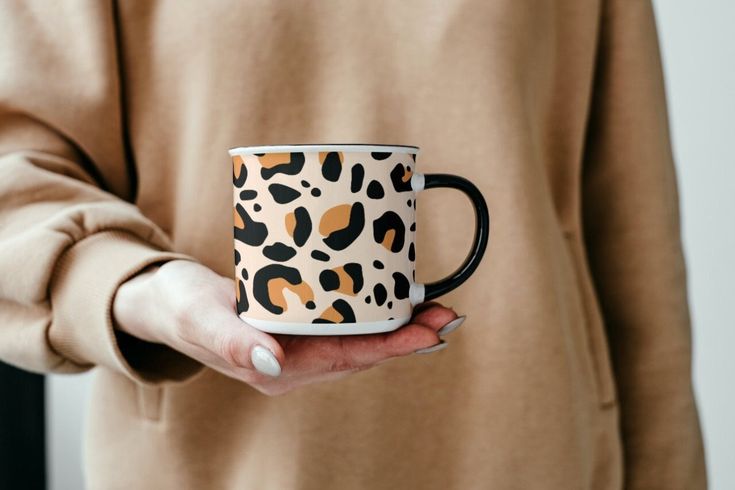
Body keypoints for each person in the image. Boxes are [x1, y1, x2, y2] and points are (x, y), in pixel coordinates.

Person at [0, 1, 706, 488]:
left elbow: (632, 236)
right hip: (218, 464)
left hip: (533, 448)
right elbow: (16, 171)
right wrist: (139, 288)